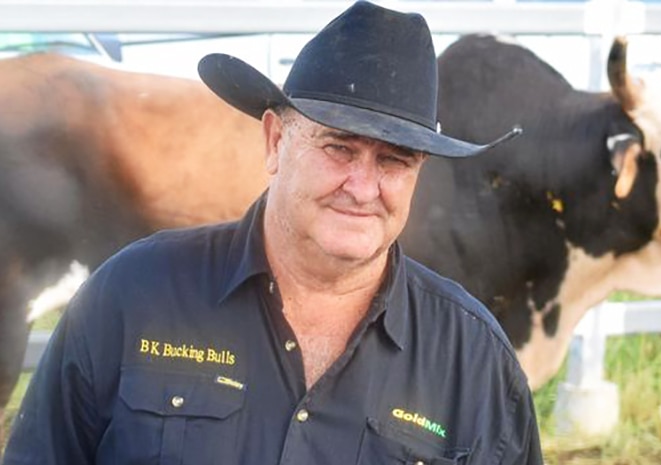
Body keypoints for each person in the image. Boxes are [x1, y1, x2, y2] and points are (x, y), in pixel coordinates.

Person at [3, 2, 542, 464]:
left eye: (394, 160)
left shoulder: (475, 361)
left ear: (418, 172)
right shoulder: (130, 296)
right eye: (338, 147)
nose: (362, 186)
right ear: (274, 141)